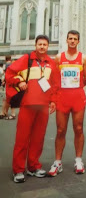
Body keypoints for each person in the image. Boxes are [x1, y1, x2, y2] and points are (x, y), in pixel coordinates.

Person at [5, 35, 59, 183]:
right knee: (22, 139)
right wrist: (20, 81)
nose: (42, 47)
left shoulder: (51, 63)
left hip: (43, 106)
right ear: (35, 45)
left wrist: (53, 101)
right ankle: (18, 170)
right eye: (40, 44)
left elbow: (54, 84)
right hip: (27, 104)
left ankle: (33, 166)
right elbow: (10, 73)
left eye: (45, 45)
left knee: (38, 138)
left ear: (48, 47)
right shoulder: (27, 59)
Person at [48, 30, 86, 176]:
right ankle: (57, 162)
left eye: (75, 39)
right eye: (70, 39)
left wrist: (76, 87)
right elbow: (54, 79)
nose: (72, 41)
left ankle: (78, 159)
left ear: (78, 41)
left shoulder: (83, 58)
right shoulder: (59, 58)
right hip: (62, 97)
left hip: (77, 96)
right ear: (66, 40)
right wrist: (53, 99)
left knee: (78, 128)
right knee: (60, 130)